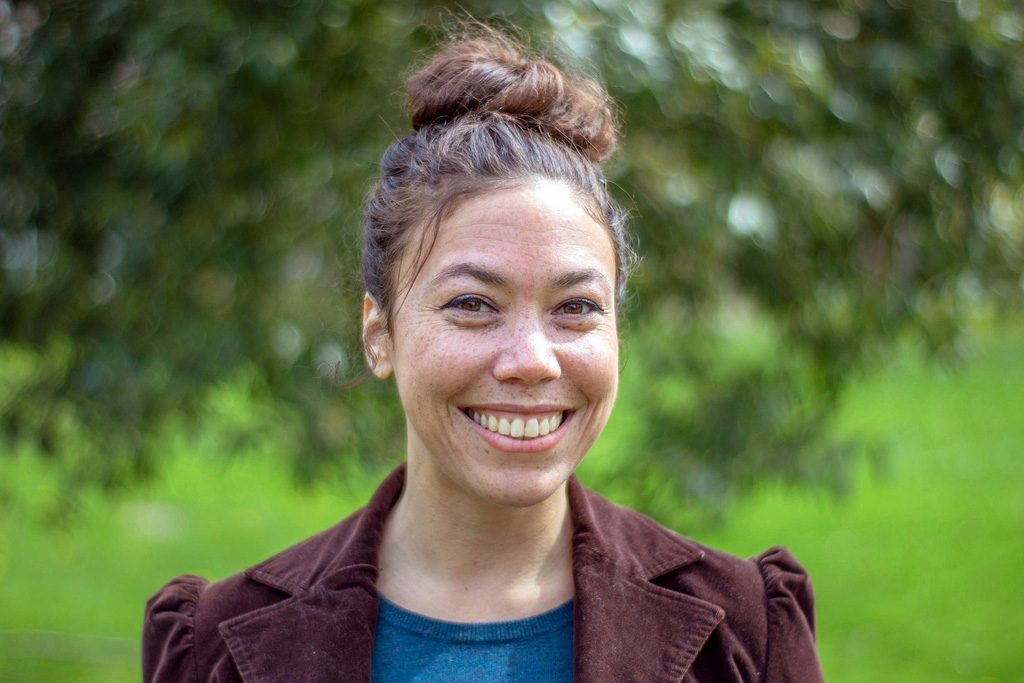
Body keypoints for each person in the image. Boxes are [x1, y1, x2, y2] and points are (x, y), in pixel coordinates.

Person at [143, 26, 825, 683]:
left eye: (575, 308)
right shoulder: (217, 648)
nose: (532, 360)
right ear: (378, 334)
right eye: (472, 304)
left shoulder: (744, 633)